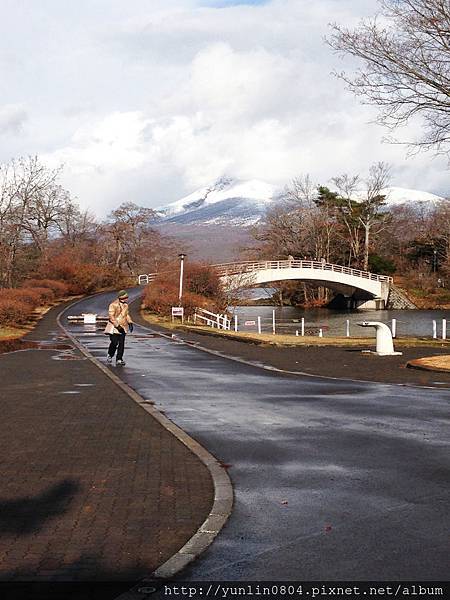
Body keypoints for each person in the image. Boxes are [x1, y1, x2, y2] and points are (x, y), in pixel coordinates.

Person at [104, 290, 134, 365]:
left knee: (121, 343)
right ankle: (110, 354)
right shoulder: (113, 305)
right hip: (114, 327)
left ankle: (119, 358)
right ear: (122, 297)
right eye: (126, 297)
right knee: (114, 342)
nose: (127, 299)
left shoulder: (126, 305)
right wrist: (117, 326)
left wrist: (130, 322)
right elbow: (111, 317)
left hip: (123, 326)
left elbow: (126, 314)